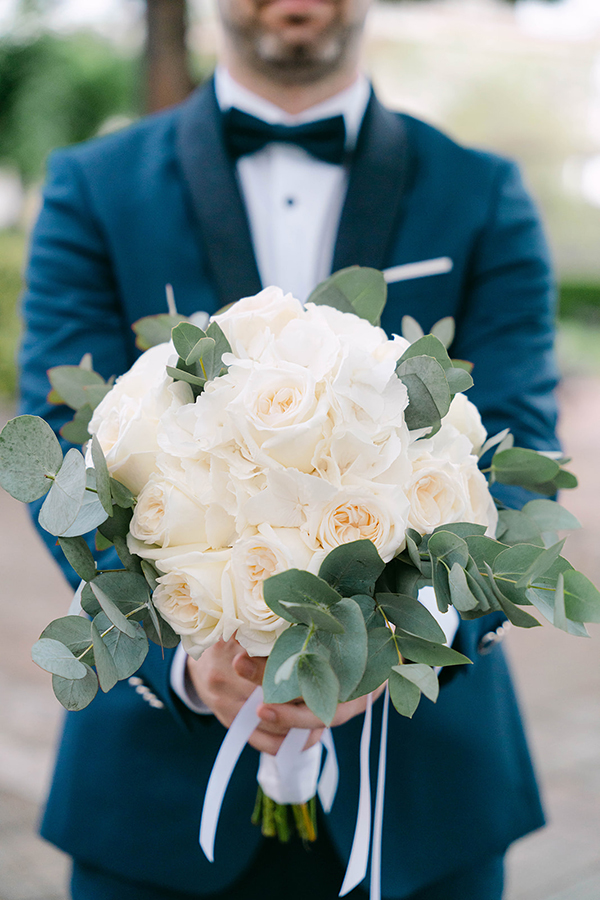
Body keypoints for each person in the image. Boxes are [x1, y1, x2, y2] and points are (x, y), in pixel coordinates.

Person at [19, 0, 561, 896]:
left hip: (425, 797)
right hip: (152, 799)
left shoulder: (481, 189)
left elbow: (517, 439)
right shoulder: (93, 184)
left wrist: (393, 636)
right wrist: (190, 660)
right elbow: (71, 453)